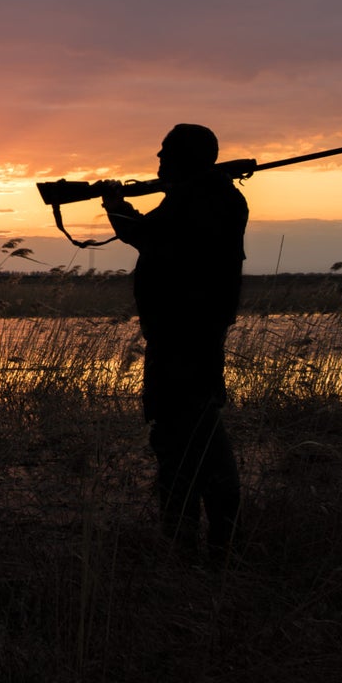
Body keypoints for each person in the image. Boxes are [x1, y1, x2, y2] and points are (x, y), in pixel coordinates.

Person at [97, 123, 248, 561]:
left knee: (190, 431)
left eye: (166, 154)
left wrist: (116, 206)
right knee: (179, 434)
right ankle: (190, 545)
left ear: (185, 158)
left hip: (187, 339)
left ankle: (212, 545)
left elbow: (149, 237)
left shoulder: (202, 199)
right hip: (181, 336)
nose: (158, 161)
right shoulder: (205, 196)